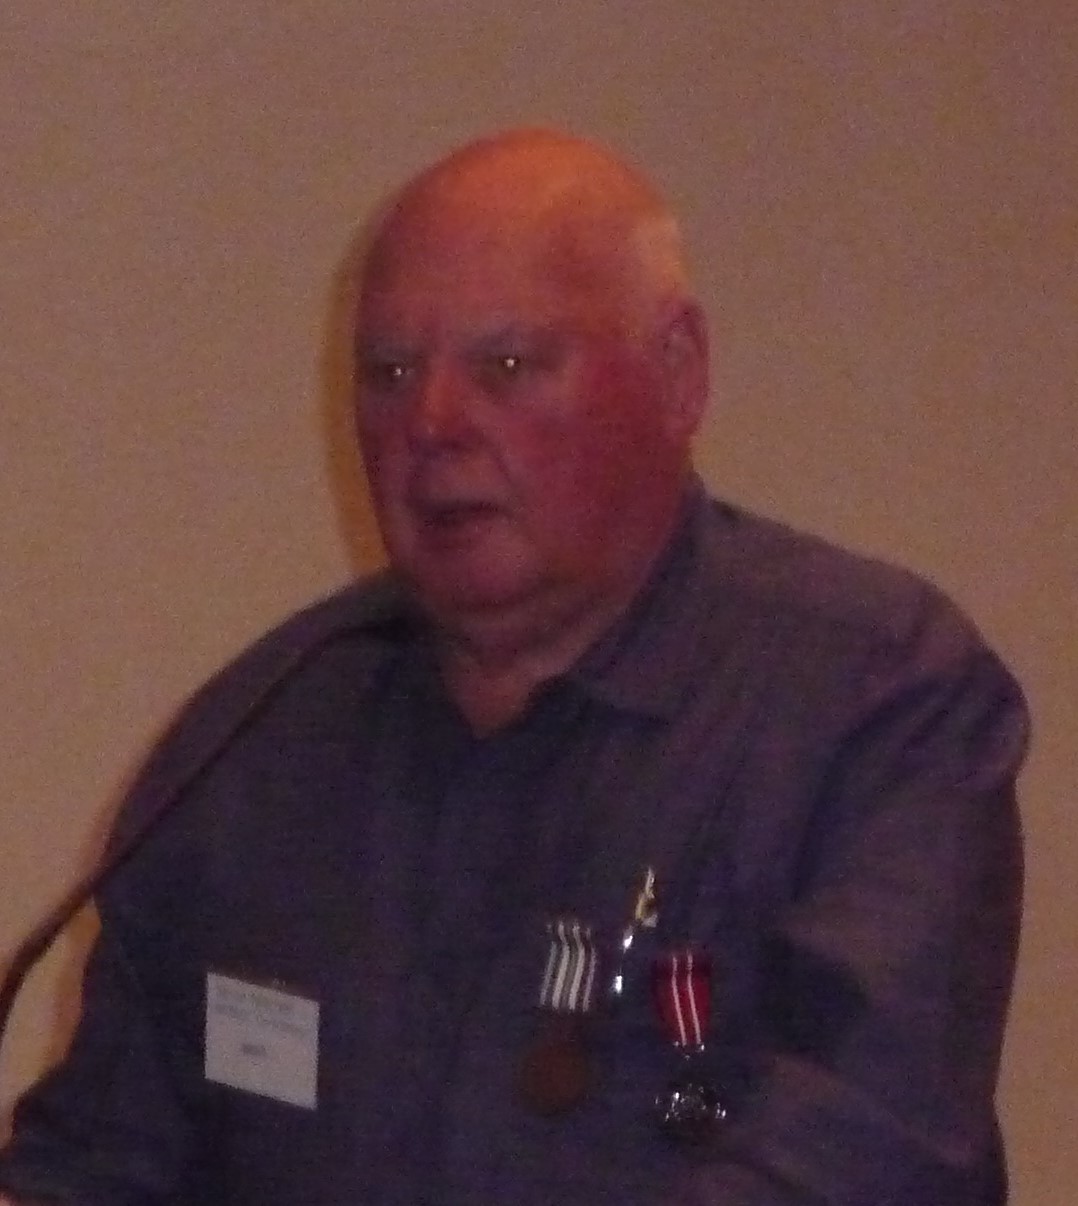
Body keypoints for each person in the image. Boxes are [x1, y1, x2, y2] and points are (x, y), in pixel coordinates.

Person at [0, 128, 1027, 1205]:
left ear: (678, 374)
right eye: (390, 373)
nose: (432, 422)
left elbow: (861, 1165)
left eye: (505, 366)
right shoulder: (258, 734)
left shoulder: (870, 700)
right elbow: (97, 1166)